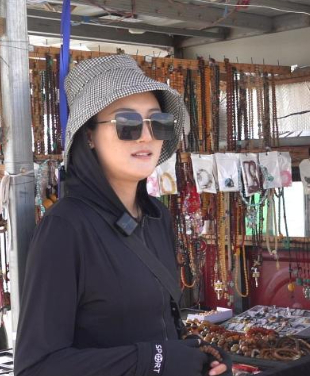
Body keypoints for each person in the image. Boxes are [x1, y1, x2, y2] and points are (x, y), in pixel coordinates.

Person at [14, 54, 229, 376]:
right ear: (89, 136)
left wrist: (201, 356)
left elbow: (158, 326)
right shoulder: (66, 227)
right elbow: (36, 367)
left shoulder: (157, 216)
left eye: (158, 122)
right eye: (127, 123)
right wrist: (155, 360)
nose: (146, 136)